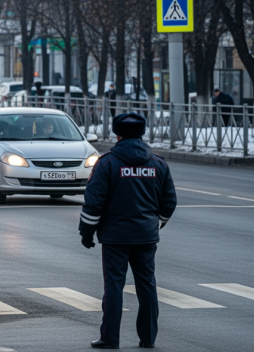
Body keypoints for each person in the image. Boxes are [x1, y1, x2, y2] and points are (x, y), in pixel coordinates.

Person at [79, 113, 178, 350]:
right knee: (147, 285)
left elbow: (93, 202)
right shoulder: (158, 164)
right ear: (142, 133)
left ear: (117, 134)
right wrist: (157, 223)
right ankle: (148, 338)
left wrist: (86, 233)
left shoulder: (107, 163)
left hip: (115, 238)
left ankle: (110, 338)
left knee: (113, 286)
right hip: (146, 236)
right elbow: (169, 201)